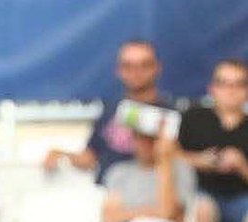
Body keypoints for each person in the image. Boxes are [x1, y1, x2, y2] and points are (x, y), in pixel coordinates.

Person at [44, 40, 172, 184]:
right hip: (108, 193)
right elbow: (91, 157)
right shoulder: (111, 109)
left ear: (157, 68)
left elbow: (182, 163)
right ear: (118, 70)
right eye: (128, 66)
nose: (136, 72)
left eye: (144, 65)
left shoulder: (171, 114)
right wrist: (62, 154)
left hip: (149, 197)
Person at [178, 58, 248, 222]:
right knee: (202, 210)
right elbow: (168, 155)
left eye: (239, 84)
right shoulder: (193, 118)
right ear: (212, 88)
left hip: (242, 200)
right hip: (201, 195)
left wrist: (241, 165)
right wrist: (199, 160)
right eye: (224, 83)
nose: (231, 91)